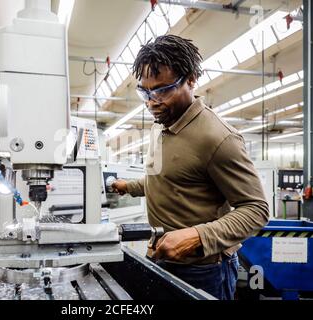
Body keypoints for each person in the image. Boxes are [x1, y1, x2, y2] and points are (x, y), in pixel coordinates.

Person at [112, 35, 269, 300]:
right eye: (145, 92)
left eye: (162, 90)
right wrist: (128, 187)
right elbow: (165, 177)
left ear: (191, 79)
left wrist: (198, 235)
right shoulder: (160, 124)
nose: (152, 101)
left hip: (204, 270)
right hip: (163, 257)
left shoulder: (218, 138)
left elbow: (256, 210)